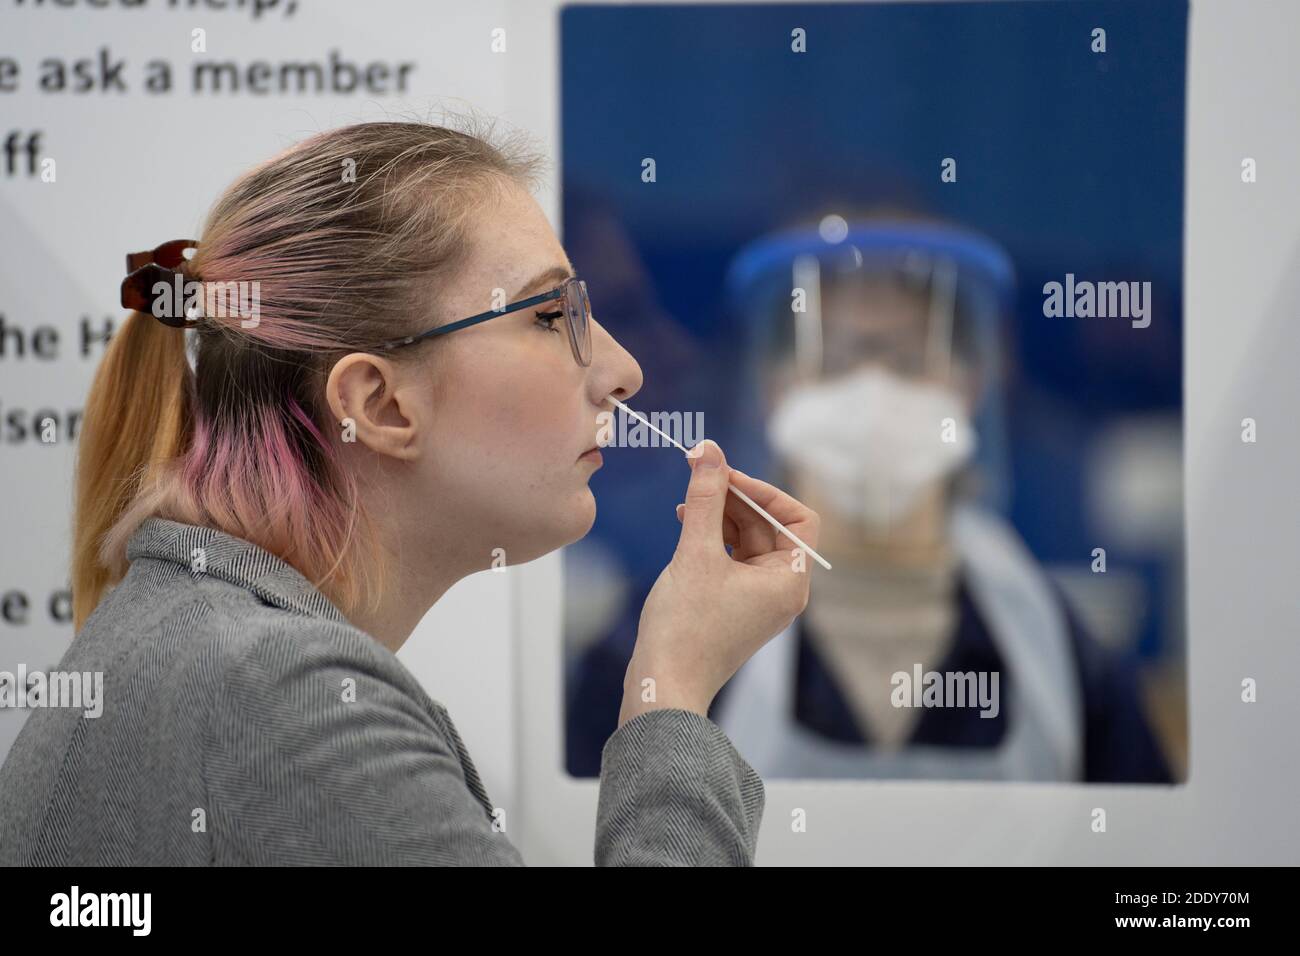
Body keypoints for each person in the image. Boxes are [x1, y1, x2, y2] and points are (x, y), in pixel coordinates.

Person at [0, 118, 819, 865]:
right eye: (550, 314)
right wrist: (671, 689)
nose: (624, 372)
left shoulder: (220, 649)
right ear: (380, 406)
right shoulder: (284, 696)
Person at [708, 216, 1172, 782]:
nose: (873, 389)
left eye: (907, 360)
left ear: (970, 386)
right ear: (772, 386)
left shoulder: (1061, 656)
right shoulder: (681, 634)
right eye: (837, 359)